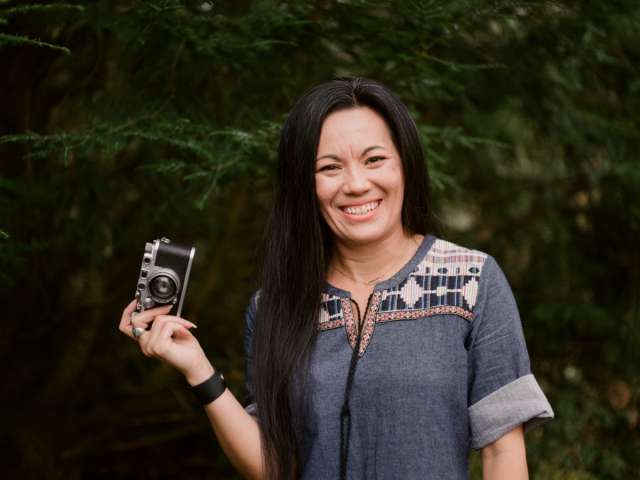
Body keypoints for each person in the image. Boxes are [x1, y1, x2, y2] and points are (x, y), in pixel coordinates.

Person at [119, 77, 554, 480]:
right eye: (329, 168)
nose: (356, 183)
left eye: (375, 159)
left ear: (405, 165)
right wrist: (198, 368)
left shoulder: (471, 280)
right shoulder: (274, 306)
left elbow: (503, 452)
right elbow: (274, 466)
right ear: (304, 185)